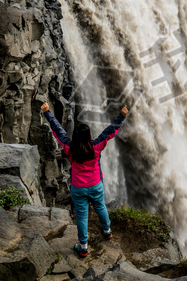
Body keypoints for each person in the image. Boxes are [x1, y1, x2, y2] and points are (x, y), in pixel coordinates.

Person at [41, 102, 128, 258]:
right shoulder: (95, 146)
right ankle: (107, 231)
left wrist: (47, 112)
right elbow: (109, 131)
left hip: (78, 188)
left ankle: (83, 246)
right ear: (89, 136)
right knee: (100, 207)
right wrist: (122, 116)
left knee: (82, 216)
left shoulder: (69, 148)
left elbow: (58, 131)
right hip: (95, 184)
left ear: (75, 136)